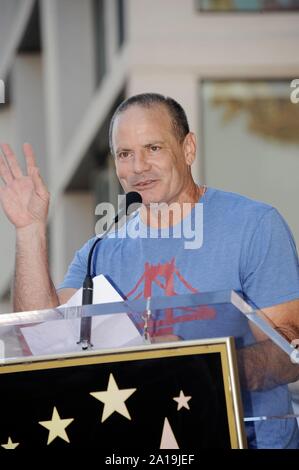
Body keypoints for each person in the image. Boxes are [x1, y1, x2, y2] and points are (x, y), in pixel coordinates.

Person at [0, 93, 299, 448]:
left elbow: (288, 351)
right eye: (125, 154)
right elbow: (40, 340)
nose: (138, 167)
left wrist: (194, 368)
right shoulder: (99, 251)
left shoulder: (254, 225)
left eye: (153, 148)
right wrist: (29, 230)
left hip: (247, 438)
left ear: (188, 148)